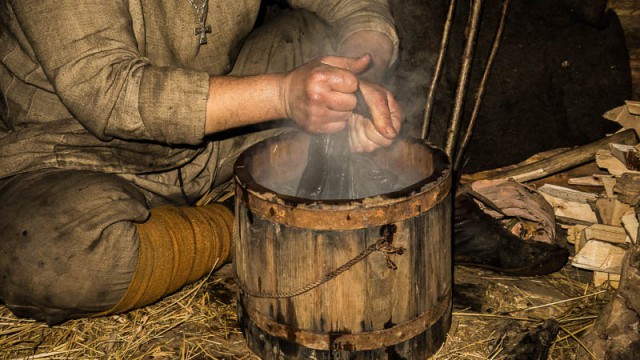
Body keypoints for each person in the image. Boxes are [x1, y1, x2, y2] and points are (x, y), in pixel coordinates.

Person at [0, 0, 403, 325]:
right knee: (49, 261)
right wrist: (282, 96)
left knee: (311, 36)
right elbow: (108, 89)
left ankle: (284, 170)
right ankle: (244, 223)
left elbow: (357, 7)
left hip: (216, 135)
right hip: (76, 155)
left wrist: (353, 81)